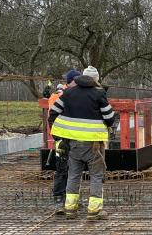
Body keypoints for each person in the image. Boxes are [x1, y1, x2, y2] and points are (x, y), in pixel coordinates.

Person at [48, 66, 115, 220]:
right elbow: (110, 117)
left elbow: (53, 112)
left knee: (73, 175)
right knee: (96, 175)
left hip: (72, 143)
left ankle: (70, 209)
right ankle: (94, 211)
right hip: (93, 145)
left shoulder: (68, 93)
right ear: (96, 79)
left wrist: (60, 135)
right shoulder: (98, 94)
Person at [48, 69, 80, 213]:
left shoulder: (75, 94)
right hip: (62, 139)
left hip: (73, 138)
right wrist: (58, 137)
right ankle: (58, 199)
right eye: (77, 80)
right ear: (71, 81)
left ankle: (70, 199)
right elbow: (52, 117)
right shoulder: (62, 96)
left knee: (73, 169)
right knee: (62, 168)